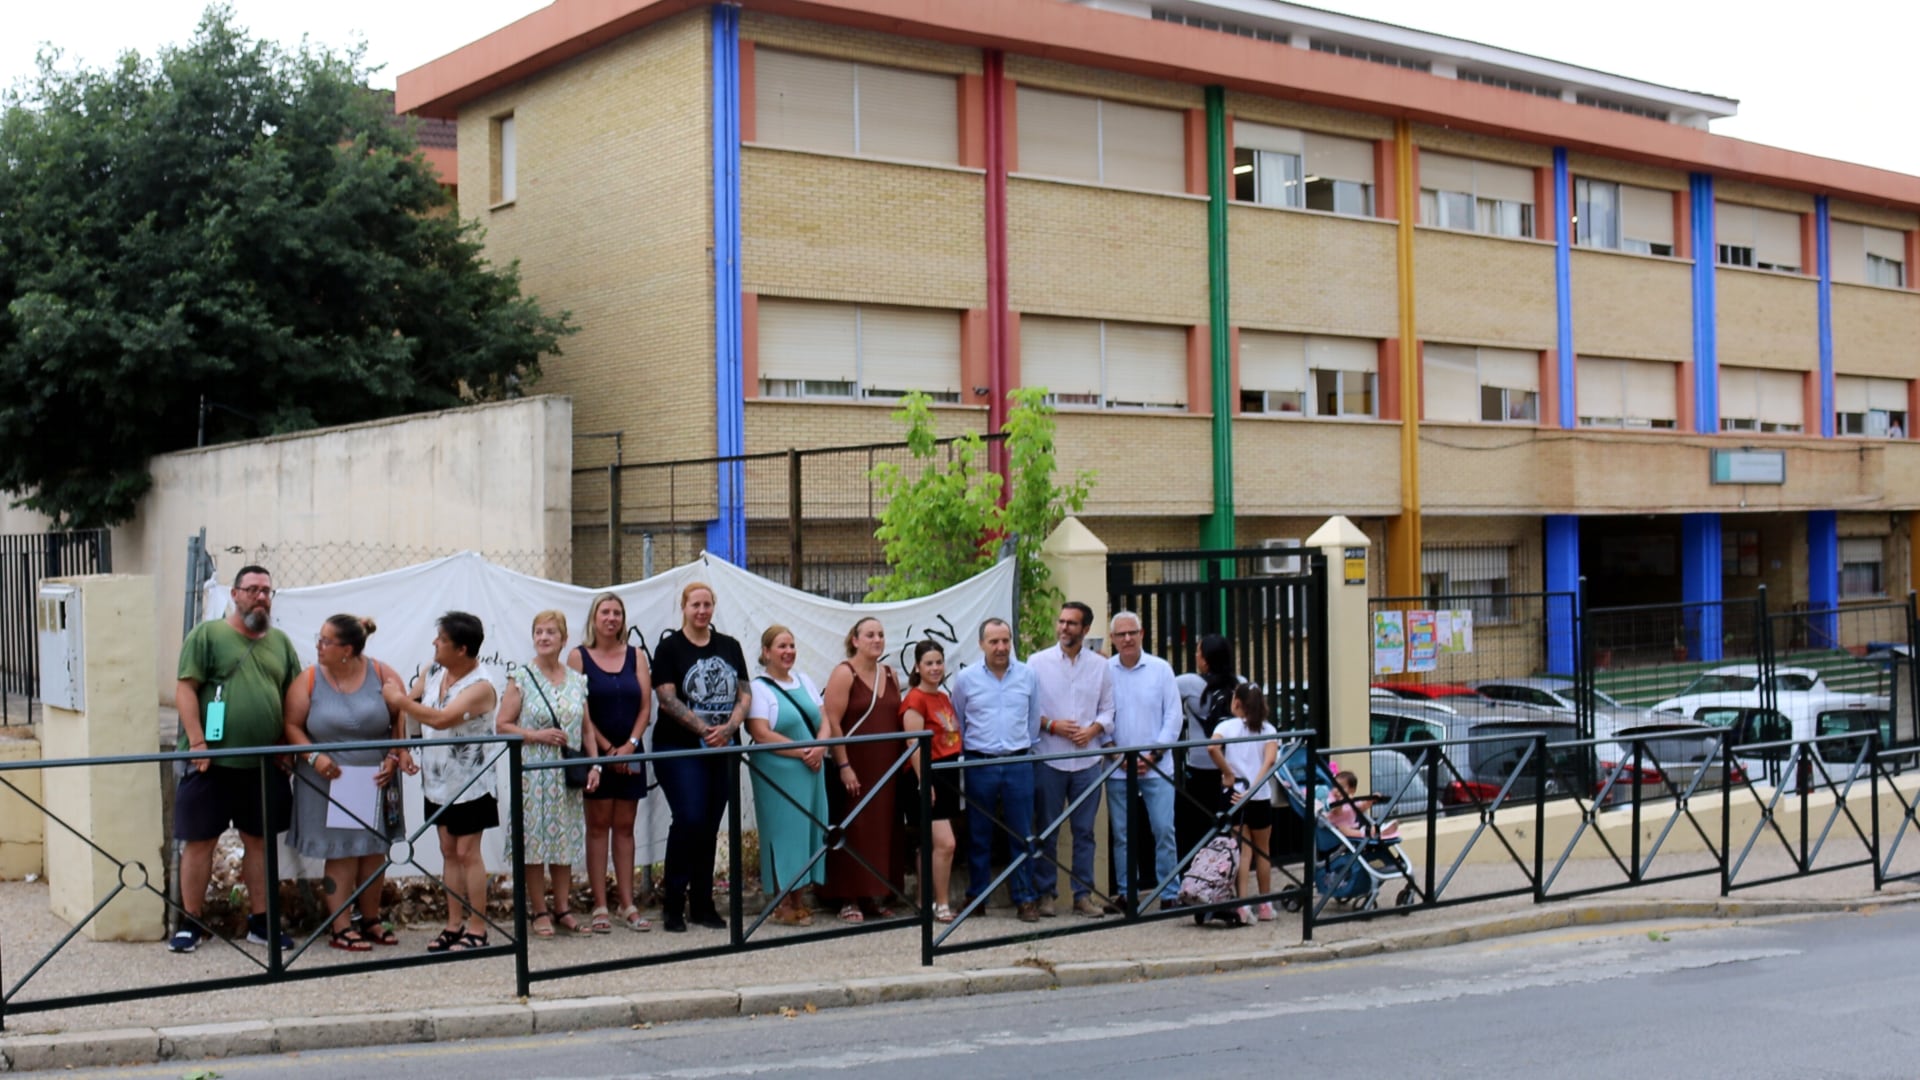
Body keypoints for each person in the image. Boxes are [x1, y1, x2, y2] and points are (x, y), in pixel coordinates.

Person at [170, 565, 302, 953]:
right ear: (235, 594)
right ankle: (191, 923)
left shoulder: (280, 643)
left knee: (259, 844)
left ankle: (261, 923)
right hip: (211, 763)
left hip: (263, 764)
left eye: (267, 591)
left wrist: (286, 745)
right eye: (253, 589)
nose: (261, 597)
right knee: (200, 842)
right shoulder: (207, 635)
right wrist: (197, 743)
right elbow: (185, 688)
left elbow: (293, 697)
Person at [283, 614, 414, 950]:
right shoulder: (309, 679)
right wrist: (314, 756)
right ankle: (340, 926)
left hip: (376, 779)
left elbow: (400, 716)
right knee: (340, 852)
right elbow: (292, 725)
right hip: (328, 782)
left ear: (347, 650)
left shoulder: (382, 674)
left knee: (373, 851)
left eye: (326, 641)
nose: (318, 646)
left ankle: (370, 919)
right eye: (319, 638)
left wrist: (394, 754)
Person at [385, 612, 499, 952]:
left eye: (442, 640)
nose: (435, 643)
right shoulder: (434, 670)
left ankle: (478, 927)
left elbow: (442, 718)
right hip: (437, 779)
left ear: (461, 649)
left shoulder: (481, 687)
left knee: (467, 852)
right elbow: (414, 705)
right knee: (448, 851)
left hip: (471, 782)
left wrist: (398, 699)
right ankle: (453, 924)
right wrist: (405, 746)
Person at [650, 582, 751, 933]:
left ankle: (703, 904)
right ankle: (673, 904)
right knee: (689, 818)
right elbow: (666, 698)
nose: (702, 610)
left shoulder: (730, 646)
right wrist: (705, 729)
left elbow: (744, 692)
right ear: (684, 607)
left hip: (724, 747)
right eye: (695, 604)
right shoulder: (669, 648)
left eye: (707, 604)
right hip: (679, 747)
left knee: (709, 824)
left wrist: (730, 727)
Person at [497, 610, 592, 938]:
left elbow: (586, 728)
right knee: (534, 844)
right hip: (533, 776)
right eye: (539, 632)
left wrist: (594, 765)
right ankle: (539, 910)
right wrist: (536, 735)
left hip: (567, 776)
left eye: (551, 632)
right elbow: (502, 725)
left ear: (564, 639)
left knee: (564, 843)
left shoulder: (577, 680)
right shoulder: (521, 677)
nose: (543, 637)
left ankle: (563, 908)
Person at [948, 618, 1043, 922]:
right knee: (979, 833)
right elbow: (959, 720)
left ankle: (1025, 898)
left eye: (1006, 641)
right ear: (981, 644)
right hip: (980, 763)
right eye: (994, 642)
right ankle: (977, 896)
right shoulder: (966, 679)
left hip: (1018, 762)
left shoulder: (1027, 675)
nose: (1001, 647)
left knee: (1022, 833)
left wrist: (1021, 748)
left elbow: (1033, 720)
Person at [567, 592, 653, 933]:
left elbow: (645, 707)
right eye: (605, 612)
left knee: (625, 827)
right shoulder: (578, 656)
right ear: (594, 617)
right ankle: (600, 905)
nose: (611, 618)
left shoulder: (636, 656)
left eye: (617, 612)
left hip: (632, 754)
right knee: (598, 825)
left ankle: (627, 904)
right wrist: (606, 751)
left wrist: (630, 746)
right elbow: (579, 709)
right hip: (596, 756)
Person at [1028, 601, 1115, 919]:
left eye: (1072, 623)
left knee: (1085, 832)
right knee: (1046, 830)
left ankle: (1082, 896)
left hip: (1087, 763)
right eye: (1061, 621)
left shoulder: (1100, 666)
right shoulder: (1037, 663)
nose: (1064, 628)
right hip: (1049, 758)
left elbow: (1108, 709)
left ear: (1085, 629)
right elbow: (1028, 709)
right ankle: (1045, 894)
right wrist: (1053, 725)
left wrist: (1093, 729)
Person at [821, 617, 907, 922]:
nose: (877, 639)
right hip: (856, 764)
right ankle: (849, 897)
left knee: (883, 828)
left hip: (887, 765)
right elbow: (832, 722)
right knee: (854, 827)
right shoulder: (844, 673)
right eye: (870, 635)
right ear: (855, 640)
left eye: (881, 634)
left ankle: (876, 893)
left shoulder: (890, 674)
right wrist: (844, 765)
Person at [744, 625, 828, 927]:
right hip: (778, 772)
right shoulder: (758, 689)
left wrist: (820, 747)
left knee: (808, 831)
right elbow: (761, 733)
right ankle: (782, 902)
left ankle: (799, 899)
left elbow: (825, 719)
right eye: (781, 646)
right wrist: (804, 751)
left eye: (791, 645)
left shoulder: (805, 681)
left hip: (811, 769)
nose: (788, 651)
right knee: (784, 834)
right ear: (766, 652)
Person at [1102, 611, 1183, 914]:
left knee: (1163, 830)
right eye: (1121, 634)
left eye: (1132, 633)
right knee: (1122, 834)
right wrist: (1115, 755)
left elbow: (1173, 716)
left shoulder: (1161, 669)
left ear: (1142, 634)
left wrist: (1154, 755)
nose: (1127, 639)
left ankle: (1170, 892)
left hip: (1157, 767)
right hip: (1117, 768)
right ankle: (1127, 893)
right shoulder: (1104, 672)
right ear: (1112, 639)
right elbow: (1099, 716)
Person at [900, 639, 962, 923]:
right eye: (929, 663)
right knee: (946, 843)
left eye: (938, 662)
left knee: (931, 844)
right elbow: (913, 744)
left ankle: (923, 901)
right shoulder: (915, 700)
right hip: (926, 774)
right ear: (917, 667)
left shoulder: (943, 697)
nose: (935, 668)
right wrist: (924, 782)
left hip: (948, 773)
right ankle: (942, 903)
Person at [1208, 684, 1279, 925]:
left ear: (1236, 702)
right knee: (1263, 851)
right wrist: (1253, 790)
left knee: (1242, 852)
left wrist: (1227, 773)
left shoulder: (1226, 726)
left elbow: (1212, 747)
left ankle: (1242, 905)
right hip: (1258, 796)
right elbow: (1270, 761)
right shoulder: (1268, 729)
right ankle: (1266, 905)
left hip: (1234, 795)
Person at [1174, 634, 1242, 863]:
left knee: (1196, 827)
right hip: (1232, 768)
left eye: (1198, 652)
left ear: (1205, 659)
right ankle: (1226, 873)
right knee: (1228, 827)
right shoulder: (1240, 684)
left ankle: (1197, 873)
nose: (1195, 655)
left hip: (1200, 766)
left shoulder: (1187, 683)